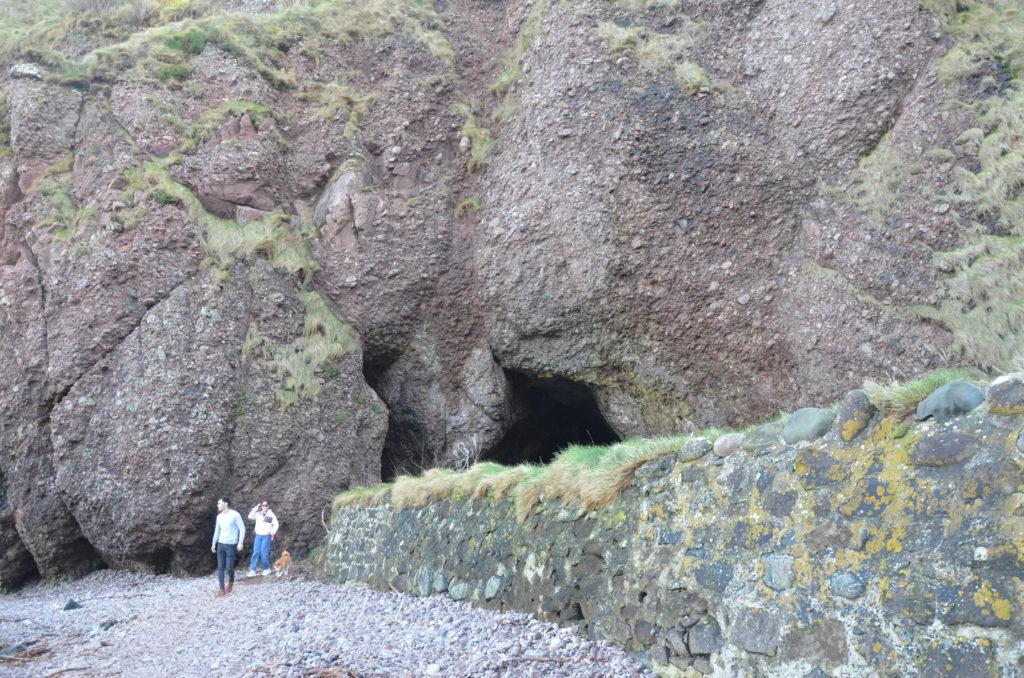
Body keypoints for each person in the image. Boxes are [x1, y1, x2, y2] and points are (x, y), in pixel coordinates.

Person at [211, 497, 245, 597]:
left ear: (225, 504)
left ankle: (231, 582)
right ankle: (222, 589)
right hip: (221, 544)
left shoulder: (235, 514)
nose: (218, 505)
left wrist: (240, 542)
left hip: (231, 545)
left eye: (219, 503)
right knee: (220, 567)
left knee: (229, 567)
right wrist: (213, 544)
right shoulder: (219, 517)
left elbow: (242, 528)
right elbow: (217, 531)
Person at [246, 500, 280, 577]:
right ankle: (252, 570)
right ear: (261, 506)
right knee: (256, 552)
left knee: (264, 553)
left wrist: (272, 532)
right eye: (263, 505)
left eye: (266, 505)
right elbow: (250, 516)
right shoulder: (258, 514)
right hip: (258, 536)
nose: (264, 507)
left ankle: (267, 568)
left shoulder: (271, 515)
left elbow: (276, 524)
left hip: (266, 536)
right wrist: (256, 507)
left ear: (268, 506)